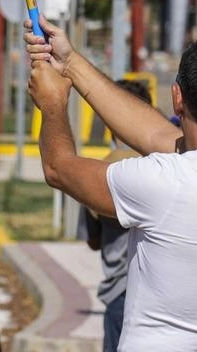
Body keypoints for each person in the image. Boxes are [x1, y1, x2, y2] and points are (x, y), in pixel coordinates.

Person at [26, 21, 197, 352]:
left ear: (177, 98)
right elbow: (156, 136)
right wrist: (70, 63)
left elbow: (59, 168)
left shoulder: (162, 183)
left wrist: (52, 103)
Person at [76, 78, 154, 352]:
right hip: (161, 296)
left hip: (120, 294)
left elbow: (93, 241)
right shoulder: (166, 165)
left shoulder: (100, 172)